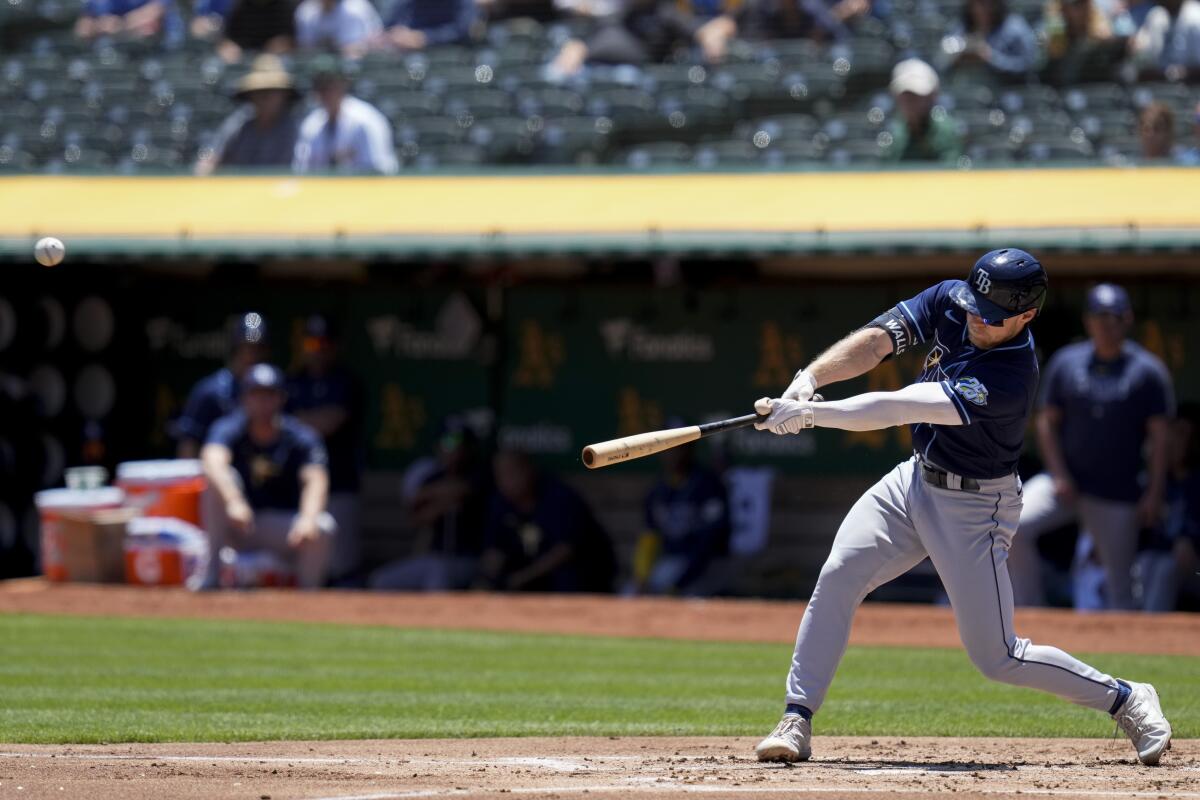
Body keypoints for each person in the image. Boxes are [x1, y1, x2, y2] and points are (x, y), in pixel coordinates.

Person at [750, 250, 1172, 767]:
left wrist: (811, 416)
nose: (976, 317)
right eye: (975, 305)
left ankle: (1127, 697)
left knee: (998, 657)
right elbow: (879, 340)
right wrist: (810, 379)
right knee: (838, 575)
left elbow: (898, 405)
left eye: (991, 314)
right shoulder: (955, 298)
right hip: (912, 481)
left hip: (975, 509)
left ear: (1026, 316)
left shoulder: (1010, 374)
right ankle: (797, 716)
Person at [1008, 283, 1174, 610]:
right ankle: (1030, 611)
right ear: (1088, 320)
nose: (1105, 324)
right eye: (1099, 316)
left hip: (1116, 490)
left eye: (1113, 316)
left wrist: (1154, 492)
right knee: (1013, 526)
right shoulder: (1068, 362)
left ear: (1127, 319)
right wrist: (1058, 475)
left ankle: (1125, 650)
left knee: (1120, 586)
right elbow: (1046, 422)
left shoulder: (1147, 371)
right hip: (1065, 482)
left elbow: (1160, 438)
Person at [200, 363, 336, 589]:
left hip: (284, 529)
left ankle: (308, 597)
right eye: (255, 395)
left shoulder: (300, 436)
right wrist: (233, 500)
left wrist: (308, 518)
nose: (262, 403)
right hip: (241, 524)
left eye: (269, 395)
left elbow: (316, 479)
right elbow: (211, 460)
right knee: (215, 483)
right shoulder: (230, 428)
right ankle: (210, 579)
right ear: (245, 398)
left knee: (323, 526)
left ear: (280, 398)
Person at [369, 417, 491, 590]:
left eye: (460, 443)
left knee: (439, 572)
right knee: (380, 580)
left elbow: (462, 489)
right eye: (447, 442)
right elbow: (417, 516)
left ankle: (437, 617)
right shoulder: (433, 476)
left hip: (469, 559)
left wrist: (435, 497)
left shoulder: (481, 473)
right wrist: (440, 503)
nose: (453, 449)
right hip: (434, 556)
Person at [286, 315, 363, 583]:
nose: (318, 349)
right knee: (305, 562)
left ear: (335, 346)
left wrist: (293, 422)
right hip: (299, 488)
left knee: (342, 568)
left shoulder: (346, 381)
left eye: (324, 343)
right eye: (311, 342)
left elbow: (331, 420)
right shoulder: (293, 382)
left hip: (341, 483)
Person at [476, 450, 616, 593]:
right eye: (499, 474)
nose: (505, 480)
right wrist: (487, 581)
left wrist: (519, 579)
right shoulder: (500, 503)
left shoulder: (559, 497)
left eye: (511, 472)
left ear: (527, 470)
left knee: (567, 575)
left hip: (580, 579)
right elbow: (494, 551)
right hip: (530, 578)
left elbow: (564, 551)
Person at [632, 440, 731, 595]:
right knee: (630, 595)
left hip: (707, 565)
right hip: (670, 562)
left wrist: (678, 585)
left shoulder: (709, 486)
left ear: (689, 450)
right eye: (667, 449)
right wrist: (642, 578)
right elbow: (649, 538)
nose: (671, 454)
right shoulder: (658, 490)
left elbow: (708, 545)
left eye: (677, 449)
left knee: (689, 597)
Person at [546, 0, 739, 78]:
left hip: (630, 75)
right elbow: (587, 37)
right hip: (589, 70)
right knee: (551, 75)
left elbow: (712, 27)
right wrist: (577, 47)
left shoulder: (664, 12)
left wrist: (713, 36)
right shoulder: (621, 11)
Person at [174, 312, 270, 458]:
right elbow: (188, 445)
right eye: (246, 348)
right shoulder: (210, 390)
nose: (252, 355)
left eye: (258, 349)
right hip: (216, 471)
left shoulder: (272, 392)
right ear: (235, 349)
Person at [195, 55, 301, 175]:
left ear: (284, 95)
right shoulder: (239, 122)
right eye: (259, 92)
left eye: (271, 92)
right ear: (251, 95)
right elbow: (209, 158)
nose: (265, 98)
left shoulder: (296, 129)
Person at [293, 57, 399, 175]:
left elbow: (379, 170)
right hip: (322, 191)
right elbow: (301, 172)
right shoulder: (311, 124)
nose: (326, 92)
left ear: (342, 84)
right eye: (320, 86)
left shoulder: (365, 120)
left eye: (330, 85)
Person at [883, 58, 964, 164]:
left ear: (932, 96)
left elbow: (950, 173)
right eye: (905, 95)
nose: (910, 101)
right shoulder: (894, 132)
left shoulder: (946, 131)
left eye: (916, 95)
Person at [943, 0, 1039, 81]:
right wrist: (957, 59)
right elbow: (941, 64)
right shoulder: (962, 27)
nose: (984, 8)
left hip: (1006, 91)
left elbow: (1027, 66)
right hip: (967, 90)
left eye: (989, 3)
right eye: (979, 3)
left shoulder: (1015, 28)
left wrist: (990, 57)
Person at [1040, 0, 1122, 85]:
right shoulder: (1054, 23)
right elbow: (1053, 53)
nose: (1081, 7)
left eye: (1083, 3)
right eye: (1076, 4)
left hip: (1091, 82)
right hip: (1058, 83)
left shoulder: (1096, 21)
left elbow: (1106, 36)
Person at [190, 0, 295, 63]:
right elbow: (227, 40)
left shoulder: (285, 5)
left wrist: (281, 45)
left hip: (276, 61)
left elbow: (291, 41)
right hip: (243, 60)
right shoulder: (239, 6)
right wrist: (229, 47)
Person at [1131, 0, 1200, 81]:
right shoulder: (1156, 15)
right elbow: (1140, 54)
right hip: (1159, 85)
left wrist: (1178, 73)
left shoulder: (1196, 16)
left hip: (1192, 87)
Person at [374, 0, 477, 51]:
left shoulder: (462, 2)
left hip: (450, 54)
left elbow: (463, 29)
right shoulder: (406, 3)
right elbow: (389, 25)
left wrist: (425, 37)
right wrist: (396, 34)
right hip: (407, 56)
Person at [293, 0, 382, 56]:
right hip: (319, 69)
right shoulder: (306, 11)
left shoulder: (354, 8)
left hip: (363, 68)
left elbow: (353, 52)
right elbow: (306, 50)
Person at [75, 0, 182, 41]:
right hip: (113, 53)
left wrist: (120, 24)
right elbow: (82, 29)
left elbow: (154, 12)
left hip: (160, 50)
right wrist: (98, 25)